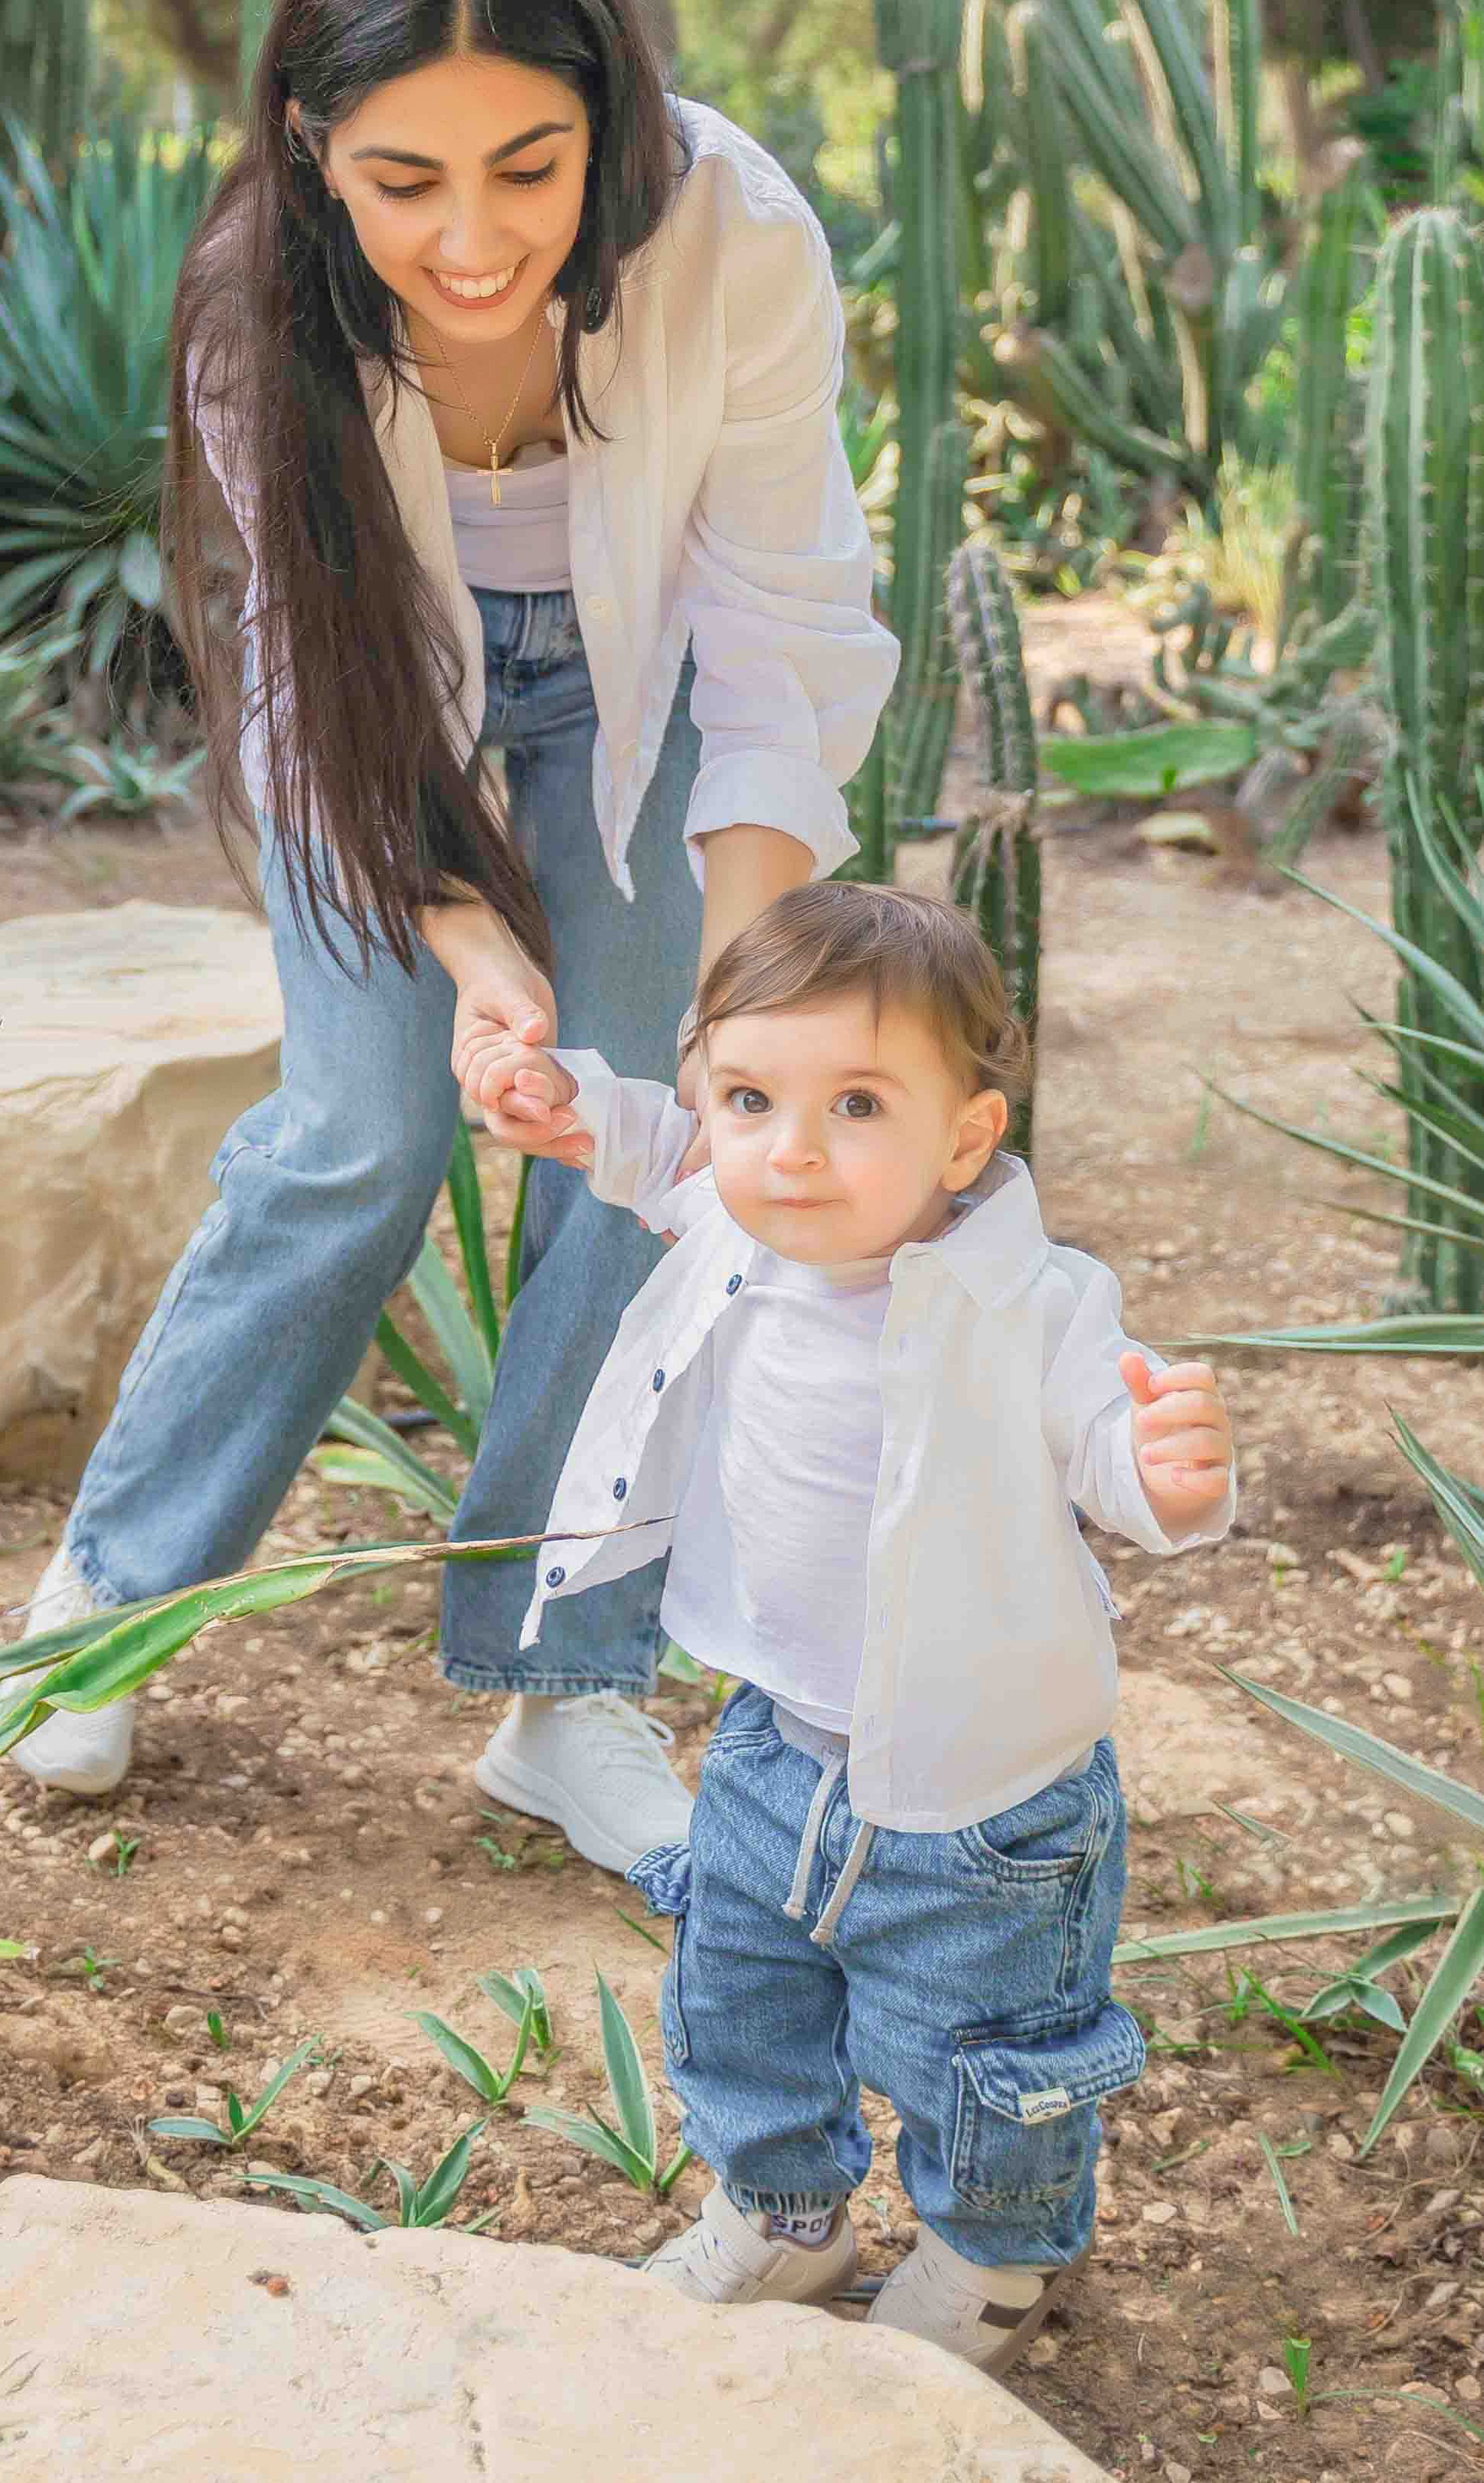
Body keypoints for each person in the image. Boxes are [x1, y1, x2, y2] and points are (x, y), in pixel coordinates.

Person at [11, 0, 897, 1878]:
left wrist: (734, 1017)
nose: (474, 240)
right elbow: (304, 681)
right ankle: (105, 1608)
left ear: (613, 126)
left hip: (646, 684)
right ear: (318, 147)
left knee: (660, 1132)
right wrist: (463, 935)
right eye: (406, 179)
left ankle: (563, 1686)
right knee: (360, 1135)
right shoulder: (262, 305)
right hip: (360, 716)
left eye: (532, 165)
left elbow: (776, 637)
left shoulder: (734, 234)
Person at [479, 880, 1235, 2372]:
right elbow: (651, 1144)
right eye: (754, 1096)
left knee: (985, 2054)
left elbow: (1105, 1437)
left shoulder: (1034, 1301)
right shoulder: (739, 1216)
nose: (793, 1149)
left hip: (988, 1804)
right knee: (739, 1994)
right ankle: (784, 2211)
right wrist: (565, 1102)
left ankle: (986, 2261)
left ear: (967, 1135)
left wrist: (1166, 1476)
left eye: (860, 1104)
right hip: (772, 1742)